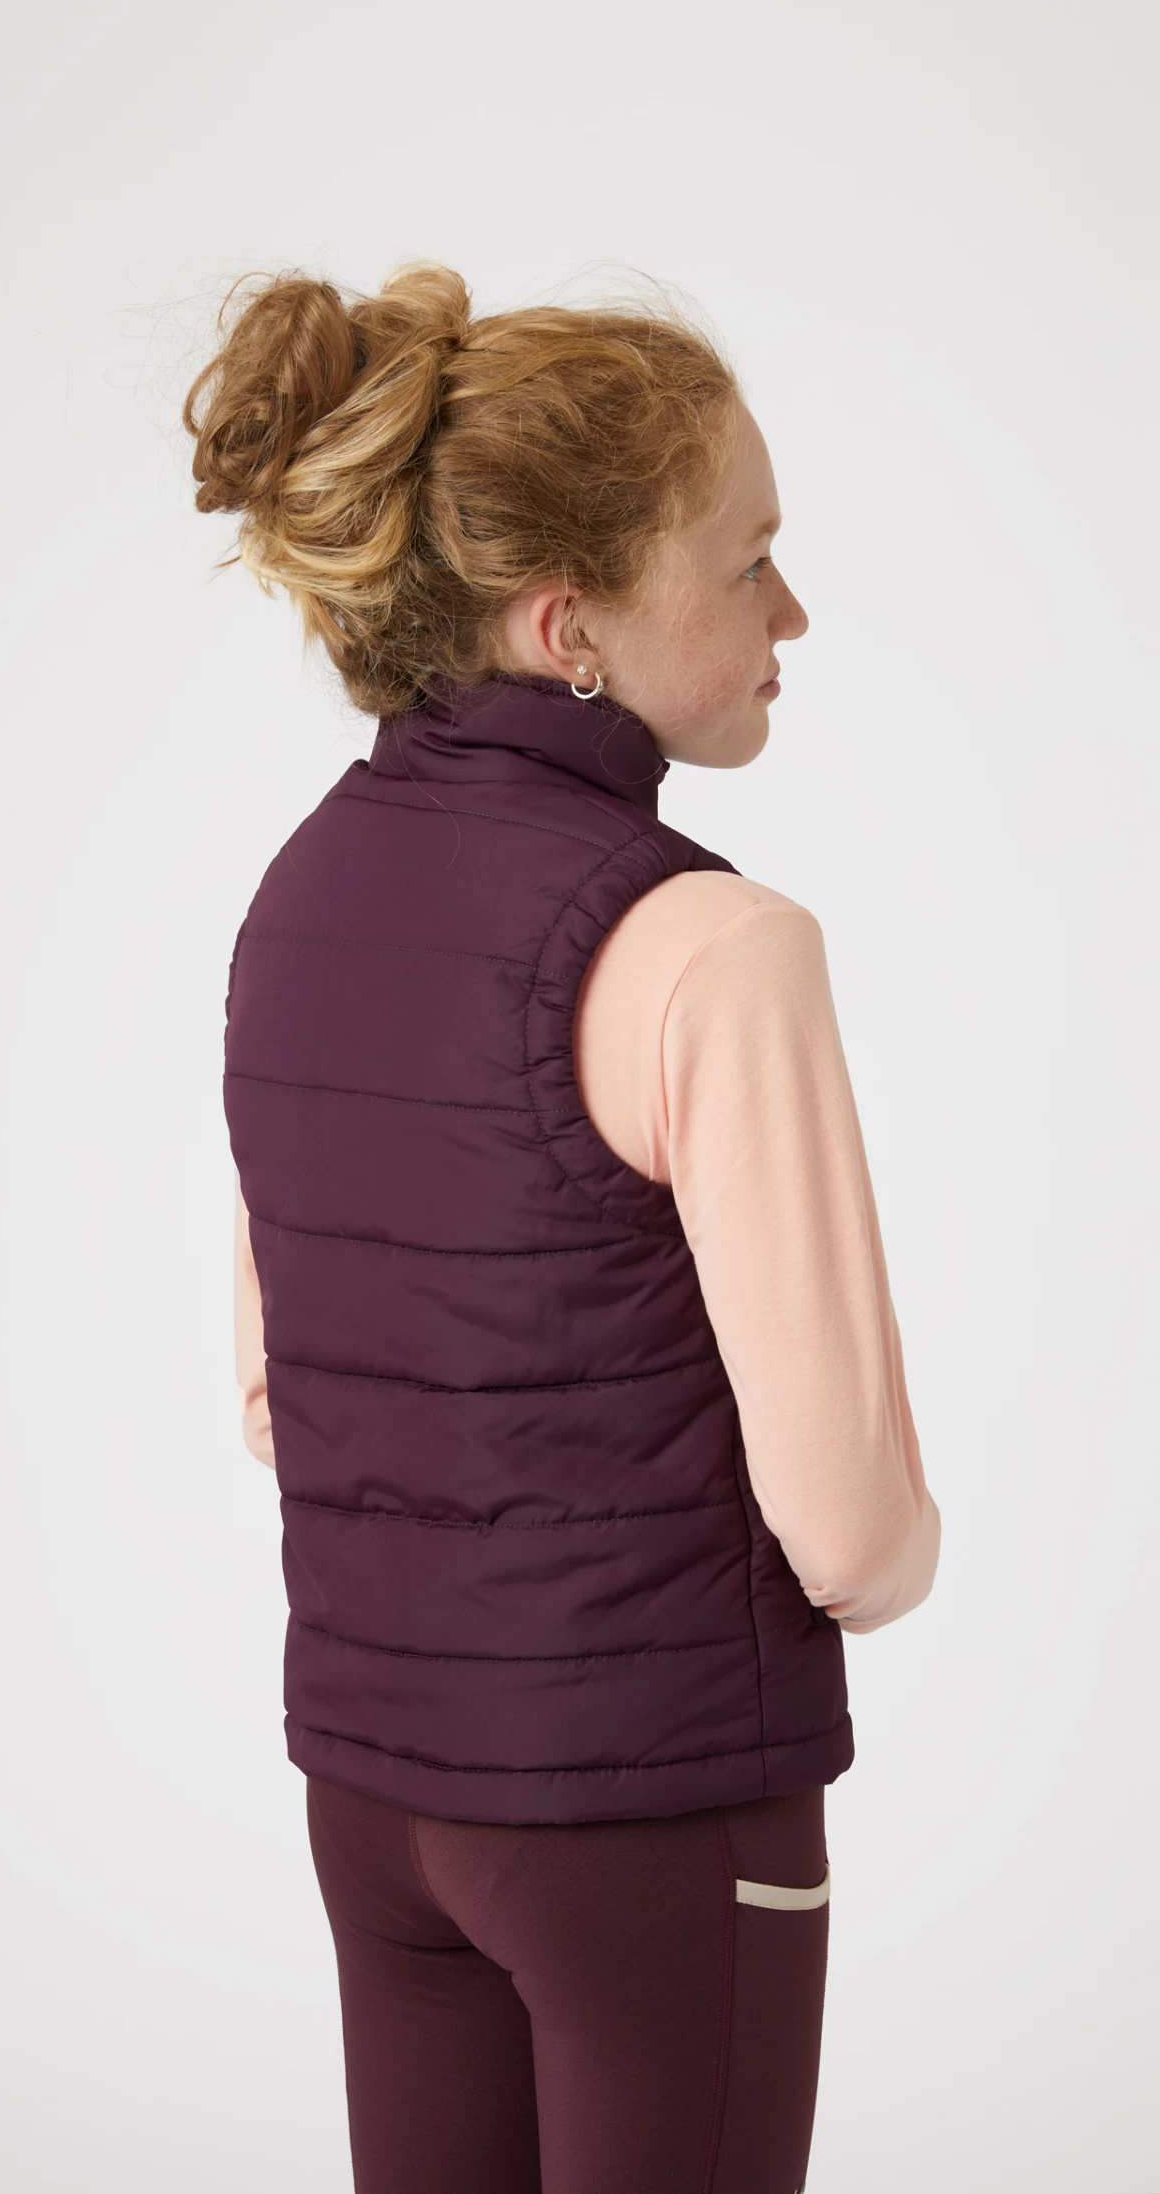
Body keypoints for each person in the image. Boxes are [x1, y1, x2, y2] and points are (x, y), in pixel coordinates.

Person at [185, 262, 941, 2194]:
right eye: (749, 561)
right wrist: (893, 1565)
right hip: (652, 1808)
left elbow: (278, 1397)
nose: (792, 611)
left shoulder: (299, 899)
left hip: (374, 1798)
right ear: (566, 622)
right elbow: (850, 1528)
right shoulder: (716, 947)